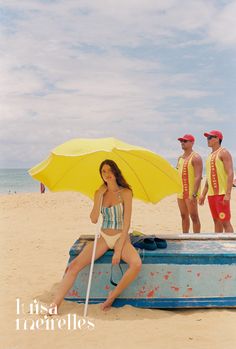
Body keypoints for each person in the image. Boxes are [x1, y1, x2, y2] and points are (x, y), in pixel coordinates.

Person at [48, 159, 142, 314]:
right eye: (103, 171)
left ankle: (112, 297)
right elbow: (93, 219)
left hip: (121, 236)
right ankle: (55, 305)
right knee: (74, 266)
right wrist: (98, 196)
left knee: (136, 264)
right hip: (104, 237)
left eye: (110, 170)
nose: (107, 174)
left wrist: (119, 249)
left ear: (115, 172)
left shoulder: (126, 192)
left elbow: (127, 223)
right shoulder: (100, 193)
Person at [199, 130, 234, 233]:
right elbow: (208, 178)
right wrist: (203, 194)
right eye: (207, 138)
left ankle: (231, 247)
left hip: (221, 194)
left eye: (210, 138)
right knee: (216, 221)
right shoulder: (210, 156)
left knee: (225, 221)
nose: (207, 140)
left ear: (217, 139)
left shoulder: (224, 152)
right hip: (211, 195)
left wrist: (228, 193)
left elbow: (230, 173)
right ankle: (218, 245)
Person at [176, 134, 203, 233]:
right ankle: (185, 237)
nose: (182, 143)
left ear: (192, 143)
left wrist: (194, 194)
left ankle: (196, 240)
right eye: (181, 141)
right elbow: (177, 173)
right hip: (180, 192)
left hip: (191, 192)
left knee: (194, 217)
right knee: (183, 216)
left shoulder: (196, 157)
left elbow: (198, 177)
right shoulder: (180, 158)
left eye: (185, 141)